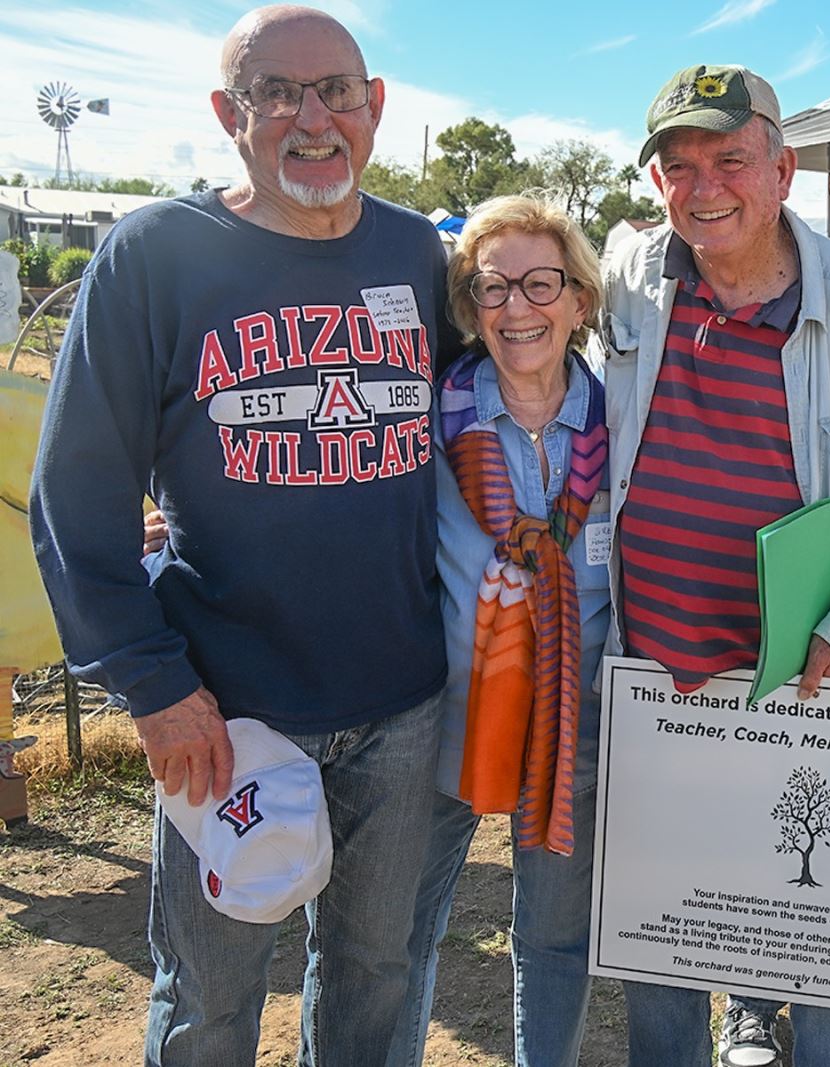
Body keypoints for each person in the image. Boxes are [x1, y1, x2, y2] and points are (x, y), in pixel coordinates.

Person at [29, 6, 456, 1064]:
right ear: (230, 114)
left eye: (337, 92)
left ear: (375, 108)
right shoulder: (156, 253)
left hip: (401, 698)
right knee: (212, 1000)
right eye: (278, 92)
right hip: (227, 711)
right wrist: (153, 683)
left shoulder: (414, 249)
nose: (314, 119)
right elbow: (75, 495)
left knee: (375, 978)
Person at [602, 65, 830, 1067]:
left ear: (783, 168)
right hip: (662, 695)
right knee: (665, 968)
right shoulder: (632, 279)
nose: (703, 186)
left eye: (729, 159)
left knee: (828, 972)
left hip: (811, 698)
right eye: (677, 166)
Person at [386, 196, 611, 1067]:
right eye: (494, 287)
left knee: (554, 940)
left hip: (573, 723)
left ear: (580, 299)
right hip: (441, 713)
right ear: (470, 306)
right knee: (398, 936)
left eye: (542, 283)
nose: (519, 308)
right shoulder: (427, 417)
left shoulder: (620, 420)